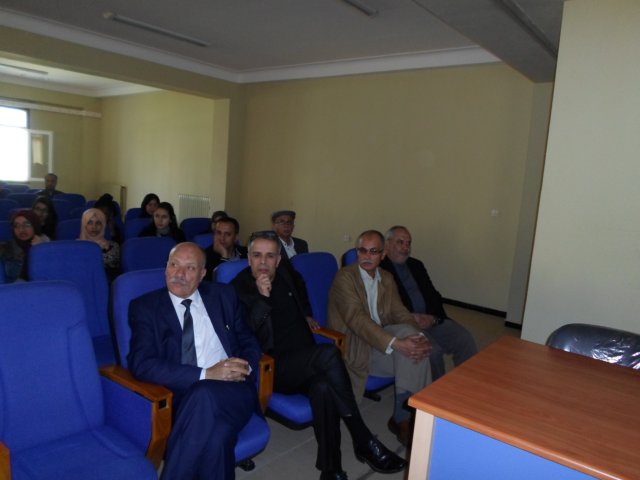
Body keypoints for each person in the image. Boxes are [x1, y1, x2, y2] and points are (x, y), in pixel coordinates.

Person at [232, 231, 405, 480]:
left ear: (278, 260)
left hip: (304, 358)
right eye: (257, 255)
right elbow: (243, 336)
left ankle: (331, 469)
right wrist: (262, 298)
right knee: (329, 354)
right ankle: (363, 438)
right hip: (273, 367)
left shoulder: (285, 272)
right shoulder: (237, 288)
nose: (263, 262)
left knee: (324, 387)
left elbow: (300, 288)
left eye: (270, 256)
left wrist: (306, 314)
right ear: (248, 258)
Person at [128, 242, 261, 480]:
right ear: (166, 267)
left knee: (204, 393)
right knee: (218, 437)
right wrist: (206, 374)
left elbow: (248, 339)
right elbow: (142, 363)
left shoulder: (223, 296)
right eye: (174, 265)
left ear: (202, 274)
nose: (179, 274)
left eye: (190, 268)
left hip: (235, 391)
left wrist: (244, 367)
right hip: (183, 397)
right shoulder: (145, 308)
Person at [328, 230, 432, 447]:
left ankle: (404, 418)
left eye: (373, 251)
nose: (367, 256)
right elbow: (356, 320)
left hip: (381, 338)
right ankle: (414, 417)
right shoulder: (345, 277)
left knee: (414, 345)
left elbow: (400, 312)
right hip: (357, 345)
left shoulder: (386, 277)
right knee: (411, 349)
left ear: (383, 254)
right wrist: (396, 343)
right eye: (362, 250)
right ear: (357, 252)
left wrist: (419, 336)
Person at [381, 226, 478, 380]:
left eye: (408, 243)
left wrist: (433, 318)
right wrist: (411, 318)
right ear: (387, 244)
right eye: (400, 242)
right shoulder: (380, 269)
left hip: (430, 318)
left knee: (464, 339)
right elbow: (385, 307)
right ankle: (436, 391)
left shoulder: (416, 265)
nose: (406, 248)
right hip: (405, 324)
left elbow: (434, 295)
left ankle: (468, 383)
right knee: (433, 351)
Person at [0, 209, 49, 282]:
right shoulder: (6, 247)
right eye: (16, 226)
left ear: (35, 226)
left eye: (27, 225)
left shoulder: (47, 247)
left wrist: (39, 251)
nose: (21, 230)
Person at [79, 208, 120, 282]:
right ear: (84, 224)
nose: (94, 227)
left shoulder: (113, 246)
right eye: (90, 223)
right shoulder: (75, 246)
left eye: (98, 223)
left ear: (103, 225)